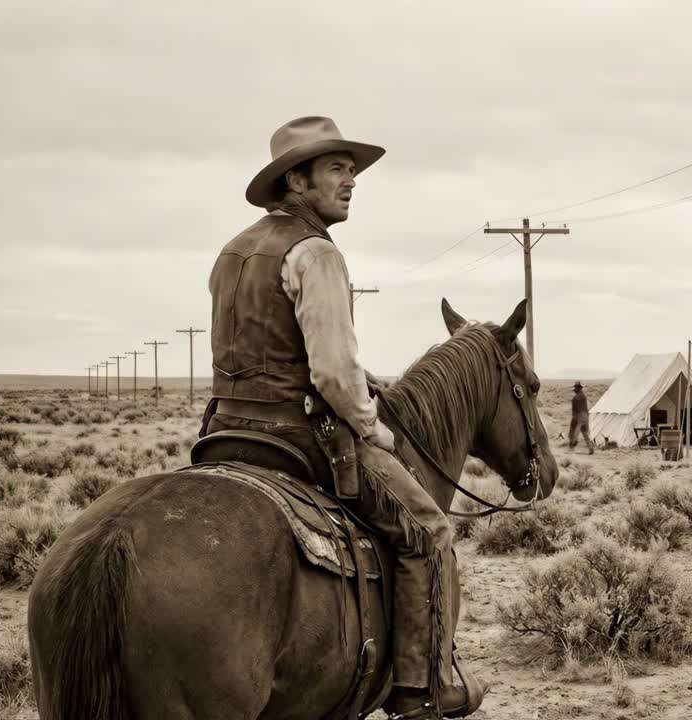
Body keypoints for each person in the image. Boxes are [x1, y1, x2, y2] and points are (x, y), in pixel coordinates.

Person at [202, 117, 479, 717]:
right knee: (429, 532)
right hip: (300, 434)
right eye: (337, 168)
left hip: (227, 433)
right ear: (296, 180)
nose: (352, 179)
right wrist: (372, 425)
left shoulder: (231, 252)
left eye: (352, 169)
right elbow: (330, 373)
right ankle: (423, 686)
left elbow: (272, 350)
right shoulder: (316, 253)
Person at [568, 382, 594, 455]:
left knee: (574, 432)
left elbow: (575, 410)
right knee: (585, 433)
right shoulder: (584, 396)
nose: (574, 390)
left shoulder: (575, 398)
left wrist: (574, 418)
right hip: (586, 415)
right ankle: (590, 448)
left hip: (579, 415)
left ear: (578, 389)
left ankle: (572, 446)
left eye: (575, 388)